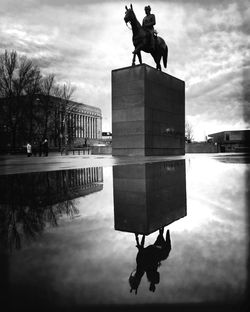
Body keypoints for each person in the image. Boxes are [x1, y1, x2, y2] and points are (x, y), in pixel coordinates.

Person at [129, 227, 171, 294]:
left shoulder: (143, 266)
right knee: (164, 253)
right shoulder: (142, 265)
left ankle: (161, 235)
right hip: (152, 252)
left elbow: (145, 271)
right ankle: (161, 235)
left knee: (164, 253)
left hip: (152, 252)